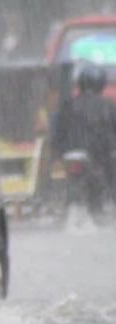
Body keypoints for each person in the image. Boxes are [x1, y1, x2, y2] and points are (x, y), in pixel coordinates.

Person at [52, 61, 116, 217]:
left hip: (72, 152)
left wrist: (58, 151)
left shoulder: (68, 105)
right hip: (100, 154)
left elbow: (58, 132)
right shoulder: (108, 105)